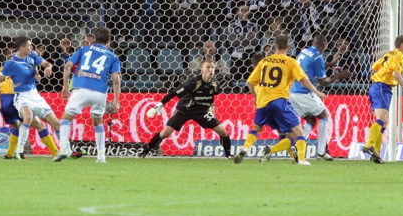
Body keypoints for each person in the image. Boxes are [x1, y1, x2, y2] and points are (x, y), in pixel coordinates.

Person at [233, 33, 324, 166]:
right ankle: (302, 159)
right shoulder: (290, 62)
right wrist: (316, 92)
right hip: (280, 101)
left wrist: (255, 97)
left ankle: (245, 148)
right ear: (288, 46)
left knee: (257, 128)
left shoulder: (264, 61)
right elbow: (303, 79)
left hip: (263, 102)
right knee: (298, 131)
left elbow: (249, 82)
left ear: (274, 46)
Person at [139, 59, 231, 158]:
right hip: (185, 110)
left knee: (223, 131)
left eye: (212, 67)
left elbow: (212, 95)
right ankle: (145, 151)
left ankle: (229, 155)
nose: (210, 70)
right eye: (208, 67)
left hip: (202, 112)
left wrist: (211, 108)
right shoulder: (193, 83)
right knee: (165, 132)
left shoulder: (216, 84)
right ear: (202, 69)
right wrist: (157, 106)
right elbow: (173, 93)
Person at [57, 27, 121, 163]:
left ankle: (64, 148)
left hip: (81, 88)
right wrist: (116, 101)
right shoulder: (113, 57)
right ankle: (101, 157)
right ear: (109, 41)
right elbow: (116, 79)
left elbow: (68, 65)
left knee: (66, 119)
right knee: (98, 121)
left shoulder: (83, 49)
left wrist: (65, 86)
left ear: (95, 39)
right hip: (99, 92)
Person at [0, 36, 61, 160]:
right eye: (29, 45)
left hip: (34, 95)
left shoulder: (32, 56)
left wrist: (46, 68)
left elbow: (44, 64)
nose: (31, 47)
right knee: (28, 118)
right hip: (21, 96)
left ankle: (66, 151)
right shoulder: (11, 63)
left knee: (56, 124)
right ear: (21, 48)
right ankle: (19, 151)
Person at [289, 33, 350, 162]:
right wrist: (339, 76)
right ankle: (321, 151)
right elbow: (323, 81)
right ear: (324, 45)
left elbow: (314, 67)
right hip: (303, 92)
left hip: (293, 92)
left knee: (311, 120)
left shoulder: (305, 51)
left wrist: (331, 63)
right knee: (324, 115)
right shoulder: (318, 57)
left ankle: (298, 144)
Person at [362, 35, 403, 163]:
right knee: (382, 119)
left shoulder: (390, 54)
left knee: (384, 121)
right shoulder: (400, 55)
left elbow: (374, 67)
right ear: (402, 45)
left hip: (378, 87)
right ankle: (369, 145)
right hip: (382, 87)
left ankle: (376, 152)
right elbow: (395, 73)